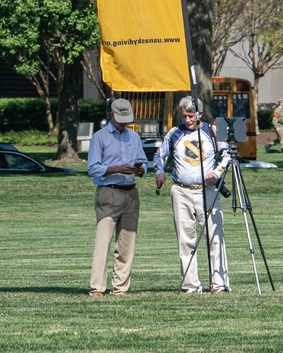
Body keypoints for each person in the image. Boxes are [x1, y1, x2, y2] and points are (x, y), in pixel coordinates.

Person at [154, 96, 231, 293]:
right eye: (185, 116)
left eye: (191, 116)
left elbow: (228, 155)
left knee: (214, 237)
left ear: (200, 114)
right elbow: (159, 155)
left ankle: (220, 283)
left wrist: (217, 172)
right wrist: (159, 171)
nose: (188, 120)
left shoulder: (212, 132)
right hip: (181, 191)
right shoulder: (174, 133)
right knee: (185, 239)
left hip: (207, 191)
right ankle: (191, 284)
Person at [87, 99, 146, 297]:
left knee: (127, 243)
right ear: (112, 114)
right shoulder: (99, 137)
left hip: (131, 191)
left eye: (126, 120)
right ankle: (97, 287)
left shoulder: (135, 137)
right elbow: (93, 168)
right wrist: (116, 168)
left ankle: (120, 287)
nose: (124, 123)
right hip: (108, 191)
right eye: (120, 119)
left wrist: (140, 169)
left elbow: (144, 162)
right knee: (103, 242)